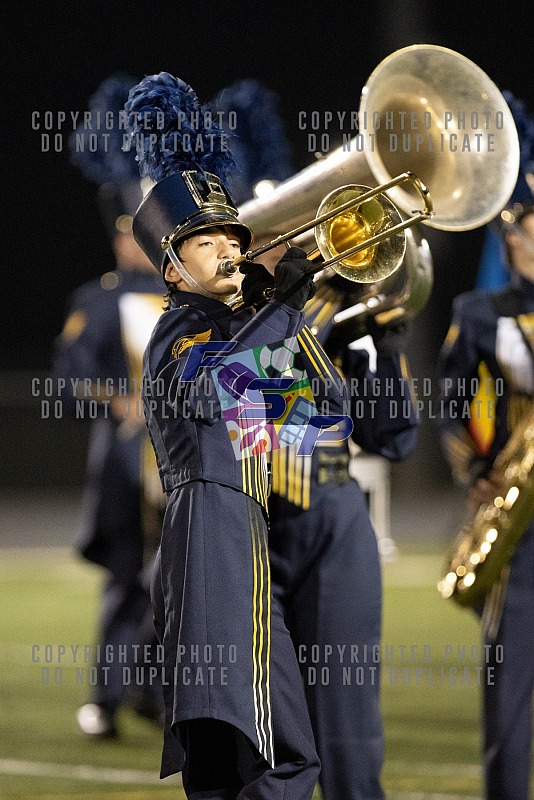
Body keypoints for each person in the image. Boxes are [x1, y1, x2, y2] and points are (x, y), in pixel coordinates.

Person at [125, 70, 357, 798]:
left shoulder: (245, 326)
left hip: (245, 534)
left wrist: (313, 304)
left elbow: (318, 429)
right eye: (206, 240)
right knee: (273, 755)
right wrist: (278, 305)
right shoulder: (179, 331)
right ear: (172, 265)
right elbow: (214, 387)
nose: (229, 246)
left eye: (232, 233)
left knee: (247, 759)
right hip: (210, 531)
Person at [52, 73, 166, 738]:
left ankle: (155, 691)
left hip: (179, 461)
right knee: (126, 578)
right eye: (134, 230)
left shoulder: (189, 302)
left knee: (175, 581)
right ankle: (105, 697)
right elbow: (70, 376)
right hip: (127, 462)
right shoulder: (97, 300)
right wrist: (119, 400)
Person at [437, 202, 534, 800]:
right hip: (519, 510)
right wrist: (472, 467)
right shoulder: (480, 312)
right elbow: (451, 401)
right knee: (512, 675)